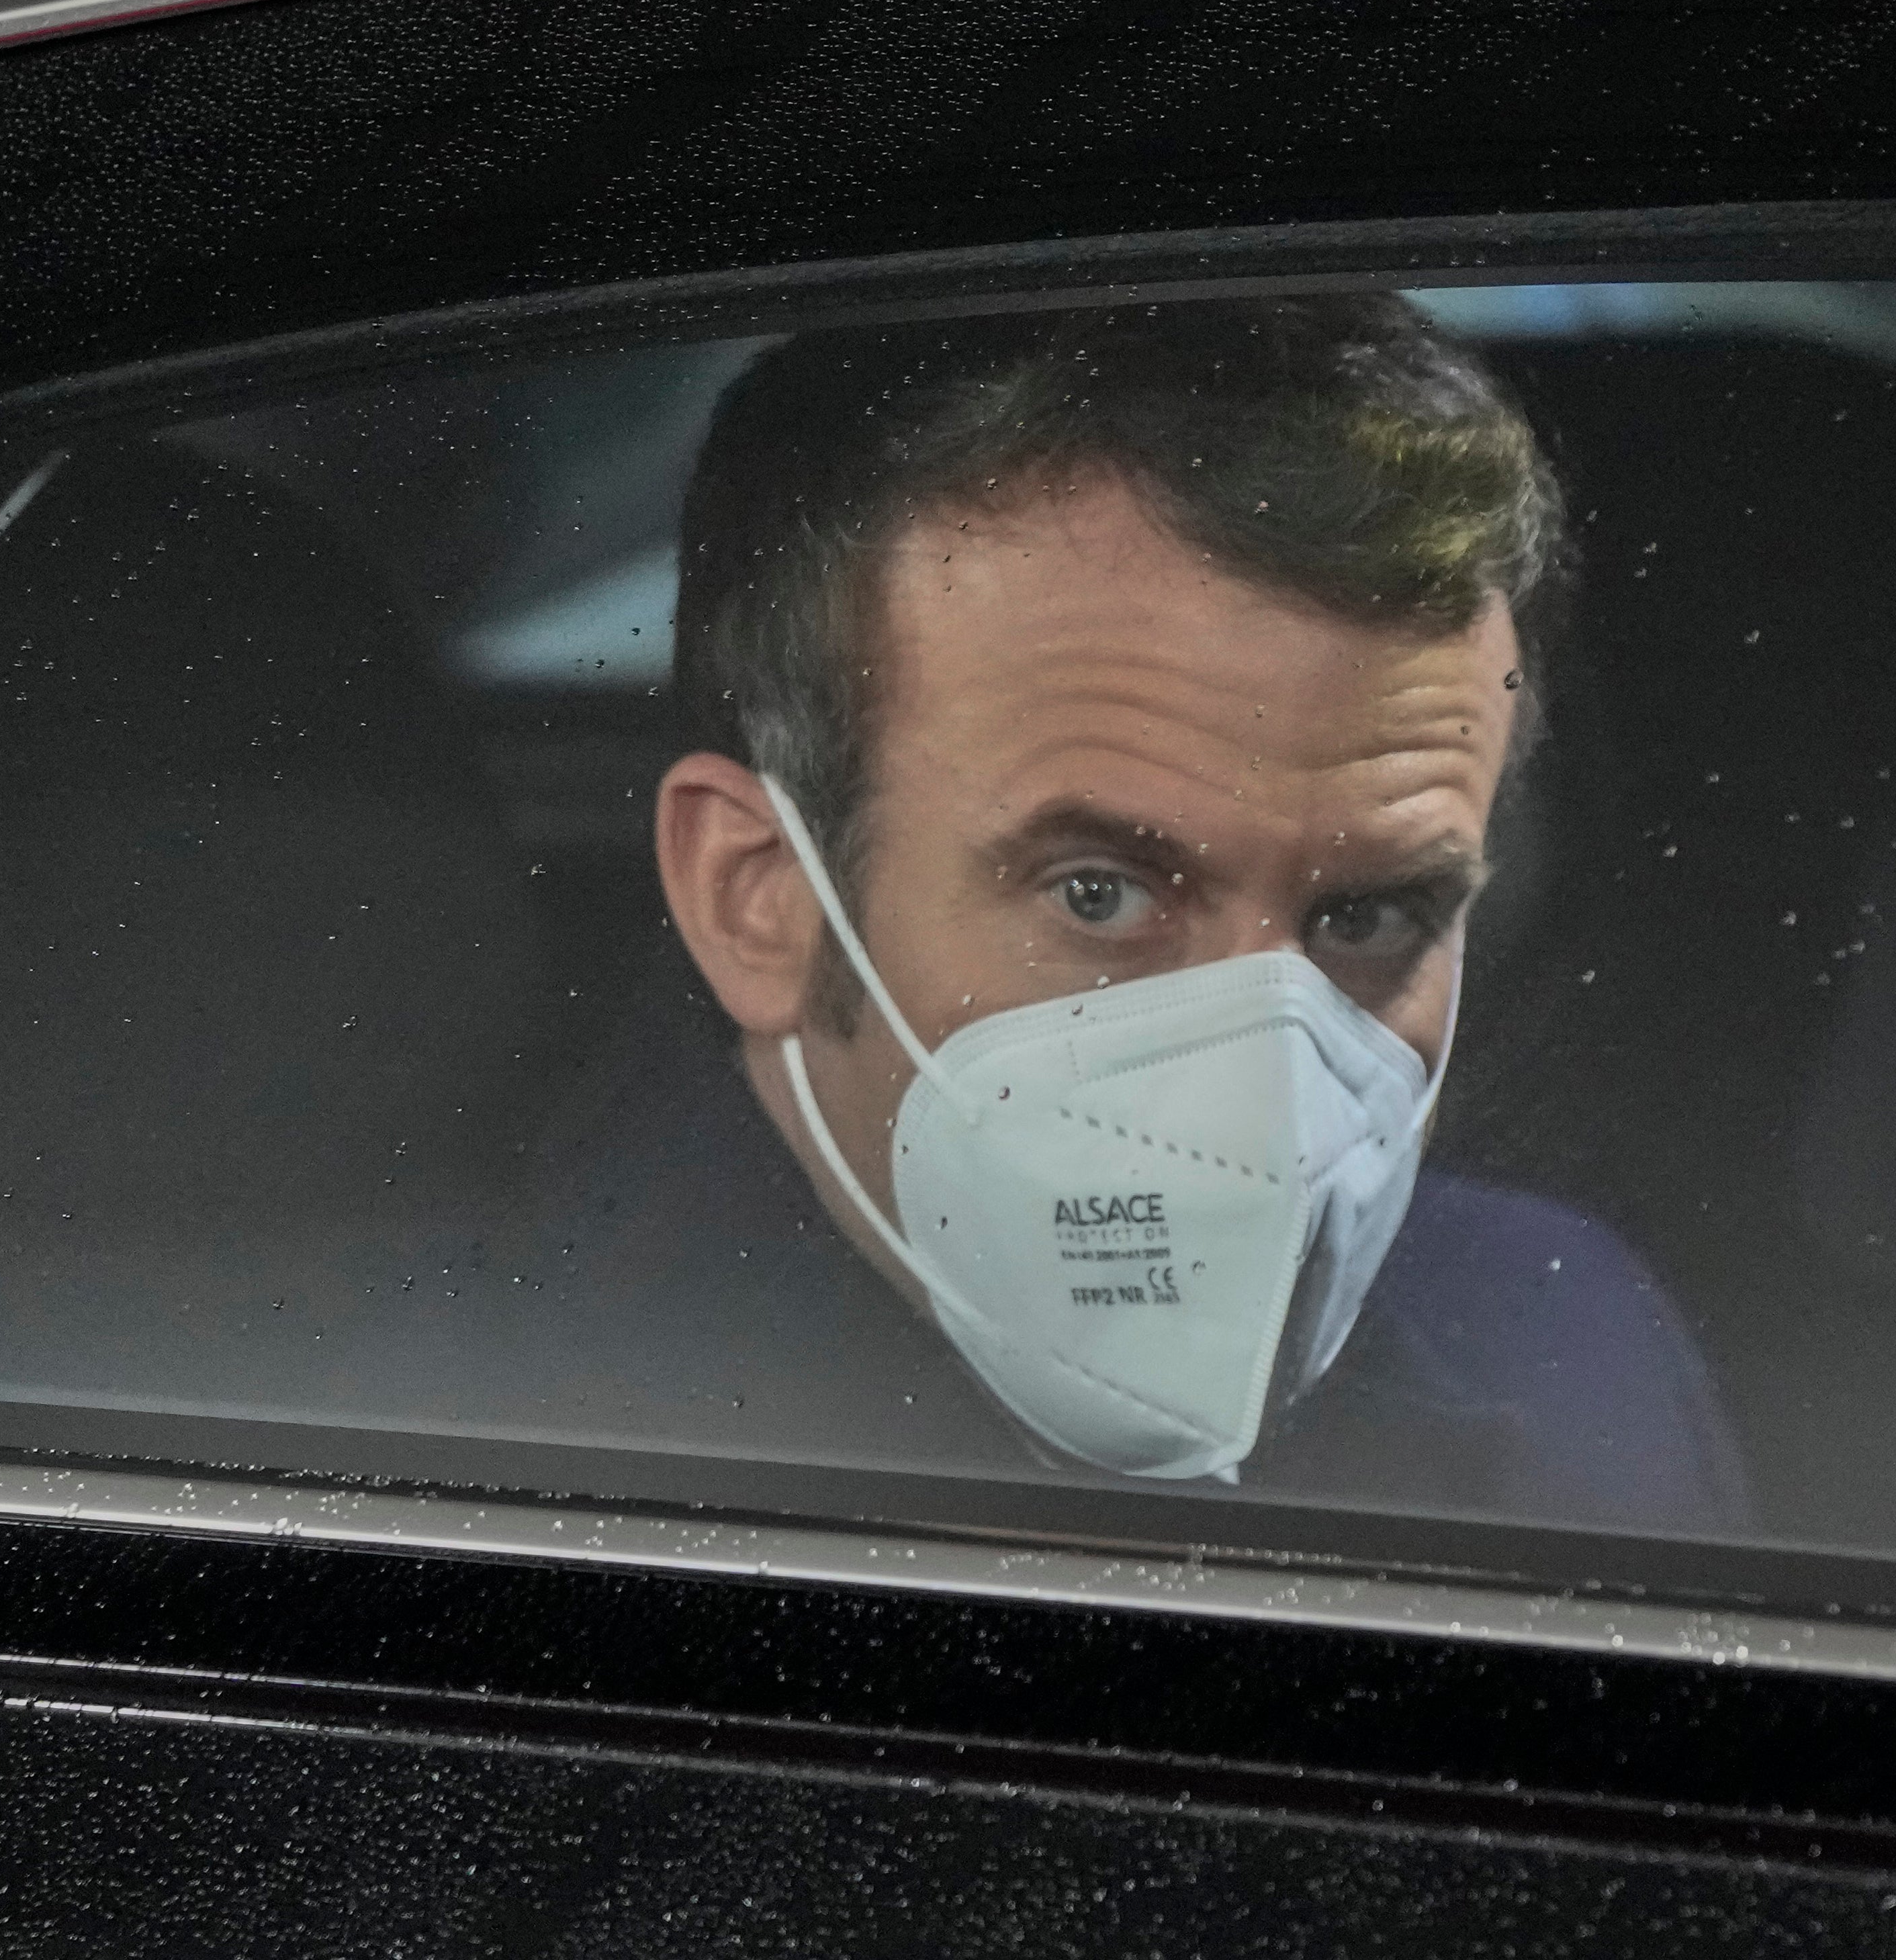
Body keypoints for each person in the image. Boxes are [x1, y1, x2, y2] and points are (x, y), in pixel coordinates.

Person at [604, 293, 1745, 1532]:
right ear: (756, 899)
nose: (1260, 1093)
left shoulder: (1569, 1353)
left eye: (1365, 918)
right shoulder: (436, 1441)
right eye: (1101, 895)